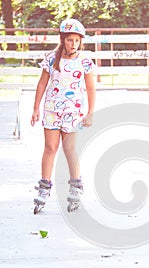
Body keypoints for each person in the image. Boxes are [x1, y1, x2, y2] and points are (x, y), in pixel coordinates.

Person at [31, 18, 96, 214]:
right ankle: (44, 188)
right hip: (52, 109)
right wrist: (36, 108)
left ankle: (75, 186)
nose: (73, 44)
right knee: (50, 148)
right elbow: (42, 84)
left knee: (69, 149)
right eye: (69, 40)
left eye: (76, 41)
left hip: (73, 112)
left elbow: (91, 88)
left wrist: (90, 113)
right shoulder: (52, 58)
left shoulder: (84, 61)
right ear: (62, 40)